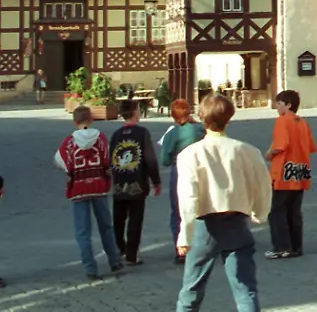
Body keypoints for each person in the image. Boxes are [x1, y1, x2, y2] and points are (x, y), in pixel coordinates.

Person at [176, 93, 272, 312]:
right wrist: (260, 212)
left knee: (191, 291)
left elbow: (188, 198)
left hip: (204, 224)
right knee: (245, 291)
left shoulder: (190, 154)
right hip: (236, 221)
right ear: (230, 116)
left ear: (201, 117)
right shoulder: (247, 151)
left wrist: (185, 234)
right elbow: (263, 185)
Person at [54, 105, 123, 280]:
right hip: (98, 185)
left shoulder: (70, 142)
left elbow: (59, 160)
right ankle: (114, 260)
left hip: (78, 188)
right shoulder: (101, 139)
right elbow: (108, 160)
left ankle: (90, 268)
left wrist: (70, 172)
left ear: (74, 122)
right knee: (105, 226)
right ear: (91, 120)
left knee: (83, 231)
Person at [265, 89, 317, 260]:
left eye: (279, 103)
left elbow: (280, 145)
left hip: (284, 171)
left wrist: (269, 153)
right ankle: (296, 246)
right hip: (300, 170)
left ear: (288, 105)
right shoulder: (302, 122)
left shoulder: (282, 121)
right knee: (294, 210)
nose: (276, 107)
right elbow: (311, 146)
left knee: (277, 211)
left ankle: (281, 247)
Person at [110, 99, 162, 265]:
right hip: (137, 182)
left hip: (119, 182)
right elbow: (149, 158)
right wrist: (156, 181)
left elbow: (111, 157)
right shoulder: (142, 133)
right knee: (135, 219)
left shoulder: (116, 134)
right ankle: (132, 254)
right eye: (139, 109)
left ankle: (119, 249)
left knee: (118, 219)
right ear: (134, 113)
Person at [162, 99, 207, 264]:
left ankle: (181, 249)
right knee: (201, 209)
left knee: (178, 210)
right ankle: (202, 246)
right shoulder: (200, 129)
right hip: (200, 168)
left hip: (179, 170)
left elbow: (165, 160)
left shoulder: (172, 134)